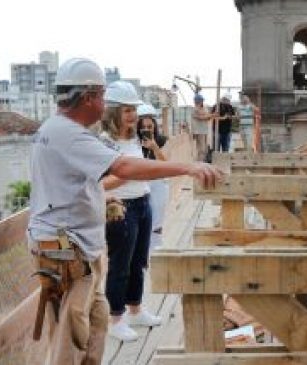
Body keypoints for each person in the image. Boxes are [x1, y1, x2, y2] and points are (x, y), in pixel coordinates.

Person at [28, 58, 222, 364]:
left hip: (78, 249)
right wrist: (188, 166)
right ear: (89, 96)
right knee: (71, 333)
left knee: (96, 320)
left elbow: (69, 186)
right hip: (67, 250)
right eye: (102, 97)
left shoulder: (56, 130)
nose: (104, 105)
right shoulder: (69, 133)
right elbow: (124, 166)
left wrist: (100, 201)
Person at [99, 81, 158, 342]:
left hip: (143, 202)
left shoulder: (134, 139)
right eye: (126, 110)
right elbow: (98, 184)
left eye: (133, 109)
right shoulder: (104, 143)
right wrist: (126, 176)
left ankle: (136, 309)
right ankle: (116, 318)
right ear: (113, 113)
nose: (133, 115)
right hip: (120, 208)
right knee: (120, 265)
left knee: (139, 261)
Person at [137, 103, 168, 249]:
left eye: (150, 127)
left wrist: (154, 147)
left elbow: (165, 165)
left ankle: (156, 250)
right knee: (143, 223)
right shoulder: (133, 144)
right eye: (144, 127)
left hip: (157, 184)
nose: (147, 130)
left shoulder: (161, 140)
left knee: (157, 224)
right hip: (140, 185)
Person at [191, 94, 213, 161]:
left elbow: (207, 117)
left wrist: (210, 116)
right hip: (198, 131)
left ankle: (203, 161)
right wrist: (211, 115)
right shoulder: (195, 109)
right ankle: (200, 163)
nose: (201, 102)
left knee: (204, 148)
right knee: (201, 148)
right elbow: (201, 117)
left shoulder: (204, 108)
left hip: (204, 130)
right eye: (200, 100)